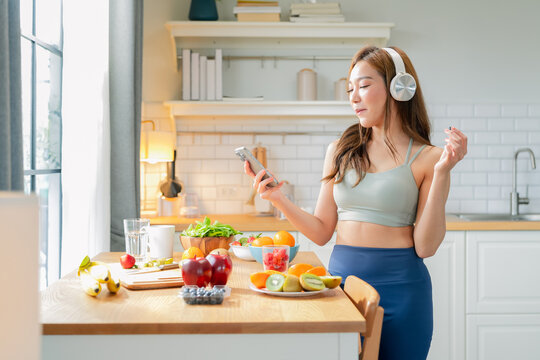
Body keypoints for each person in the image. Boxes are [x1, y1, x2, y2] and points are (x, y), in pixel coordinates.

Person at [244, 46, 467, 360]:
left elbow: (425, 247)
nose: (354, 97)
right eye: (350, 89)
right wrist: (278, 199)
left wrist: (443, 173)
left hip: (404, 292)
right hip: (343, 289)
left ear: (398, 87)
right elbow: (322, 231)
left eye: (363, 86)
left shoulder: (429, 158)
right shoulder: (340, 149)